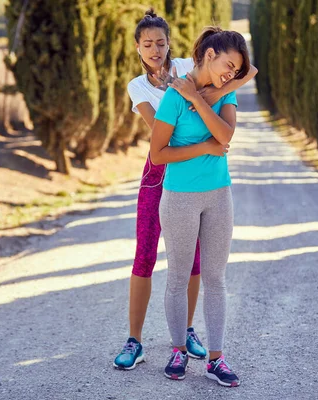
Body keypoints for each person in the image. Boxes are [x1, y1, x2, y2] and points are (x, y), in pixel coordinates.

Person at [113, 10, 255, 371]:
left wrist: (205, 91)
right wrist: (196, 100)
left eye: (161, 43)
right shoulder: (139, 87)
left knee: (196, 263)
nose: (155, 50)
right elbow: (161, 134)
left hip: (203, 178)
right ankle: (135, 340)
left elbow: (245, 73)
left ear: (170, 45)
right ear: (137, 48)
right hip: (162, 172)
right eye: (147, 45)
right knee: (145, 254)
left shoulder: (186, 68)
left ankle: (187, 333)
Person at [150, 26, 254, 387]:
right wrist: (202, 146)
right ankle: (178, 350)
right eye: (228, 64)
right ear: (209, 55)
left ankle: (216, 358)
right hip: (178, 197)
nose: (231, 74)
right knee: (178, 277)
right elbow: (157, 153)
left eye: (235, 70)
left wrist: (199, 97)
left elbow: (225, 136)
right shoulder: (173, 98)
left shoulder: (224, 94)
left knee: (215, 279)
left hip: (218, 195)